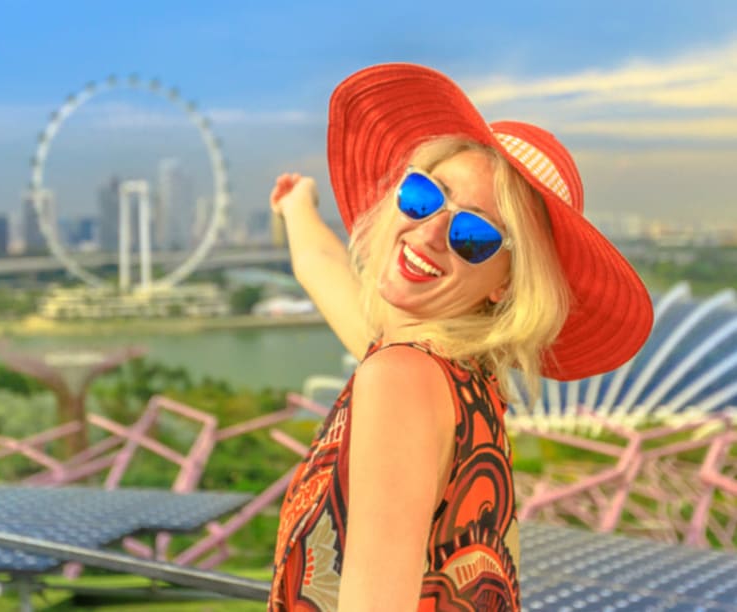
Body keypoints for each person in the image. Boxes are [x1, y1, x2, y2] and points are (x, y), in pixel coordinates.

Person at [266, 63, 653, 612]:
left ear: (508, 284)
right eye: (425, 195)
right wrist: (296, 206)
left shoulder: (398, 380)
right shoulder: (456, 375)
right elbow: (322, 269)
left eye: (473, 234)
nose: (427, 234)